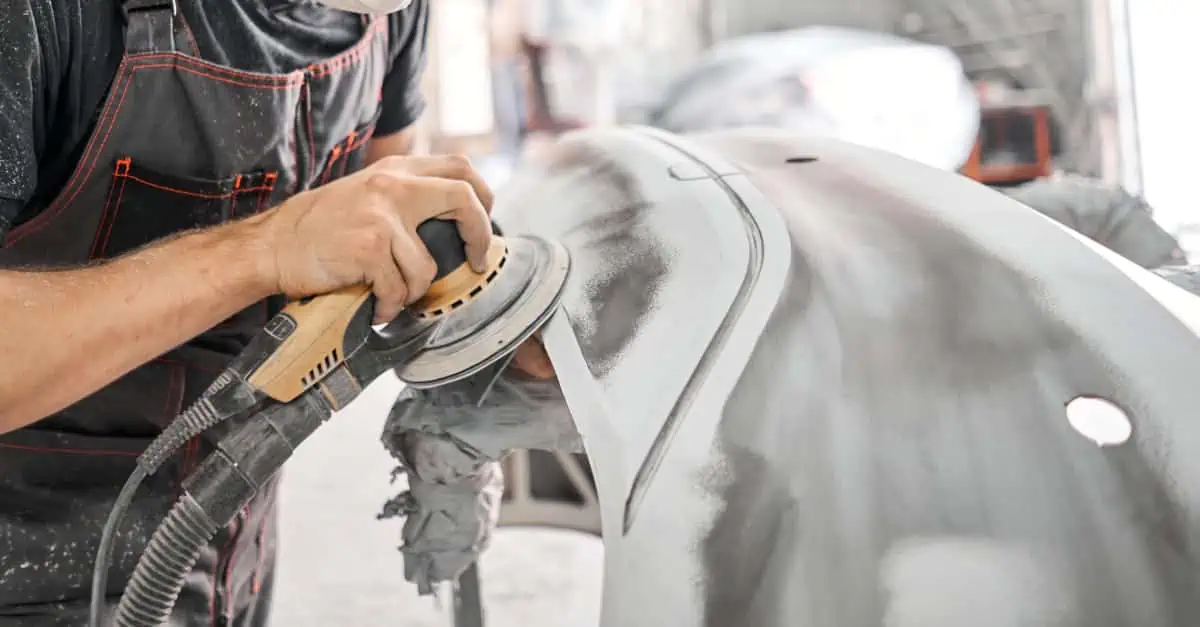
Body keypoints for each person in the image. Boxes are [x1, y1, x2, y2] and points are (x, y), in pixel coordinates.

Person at [0, 0, 541, 624]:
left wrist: (484, 363)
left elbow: (395, 226)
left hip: (231, 550)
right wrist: (266, 247)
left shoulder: (387, 11)